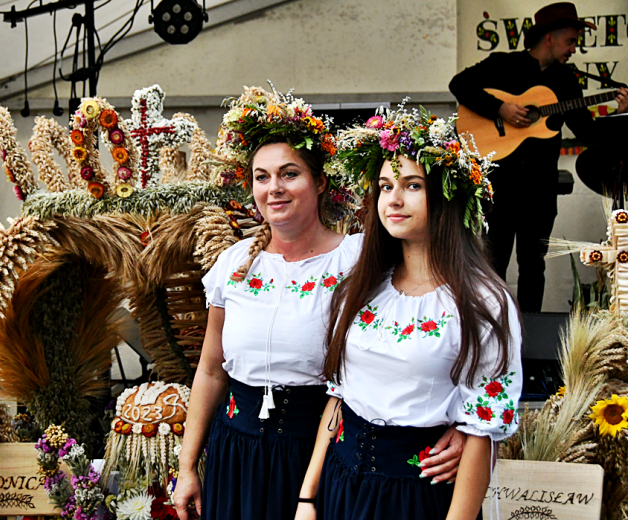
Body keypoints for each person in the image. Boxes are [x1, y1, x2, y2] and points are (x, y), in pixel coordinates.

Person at [173, 87, 466, 520]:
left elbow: (436, 324)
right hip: (235, 450)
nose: (274, 187)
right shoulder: (234, 264)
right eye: (262, 176)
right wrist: (187, 465)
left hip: (320, 450)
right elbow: (211, 369)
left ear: (320, 181)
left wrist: (464, 427)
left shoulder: (360, 259)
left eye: (289, 174)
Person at [294, 106, 523, 520]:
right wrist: (307, 498)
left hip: (416, 495)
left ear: (447, 194)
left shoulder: (482, 301)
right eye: (384, 186)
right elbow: (339, 397)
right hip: (341, 483)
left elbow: (482, 431)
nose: (393, 200)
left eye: (412, 185)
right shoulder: (361, 286)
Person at [449, 1, 628, 312]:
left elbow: (587, 133)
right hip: (499, 185)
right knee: (493, 264)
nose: (574, 49)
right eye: (570, 41)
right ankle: (494, 330)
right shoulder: (502, 64)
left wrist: (620, 115)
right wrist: (500, 108)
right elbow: (459, 84)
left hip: (540, 189)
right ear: (550, 38)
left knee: (534, 266)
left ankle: (529, 336)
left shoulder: (566, 81)